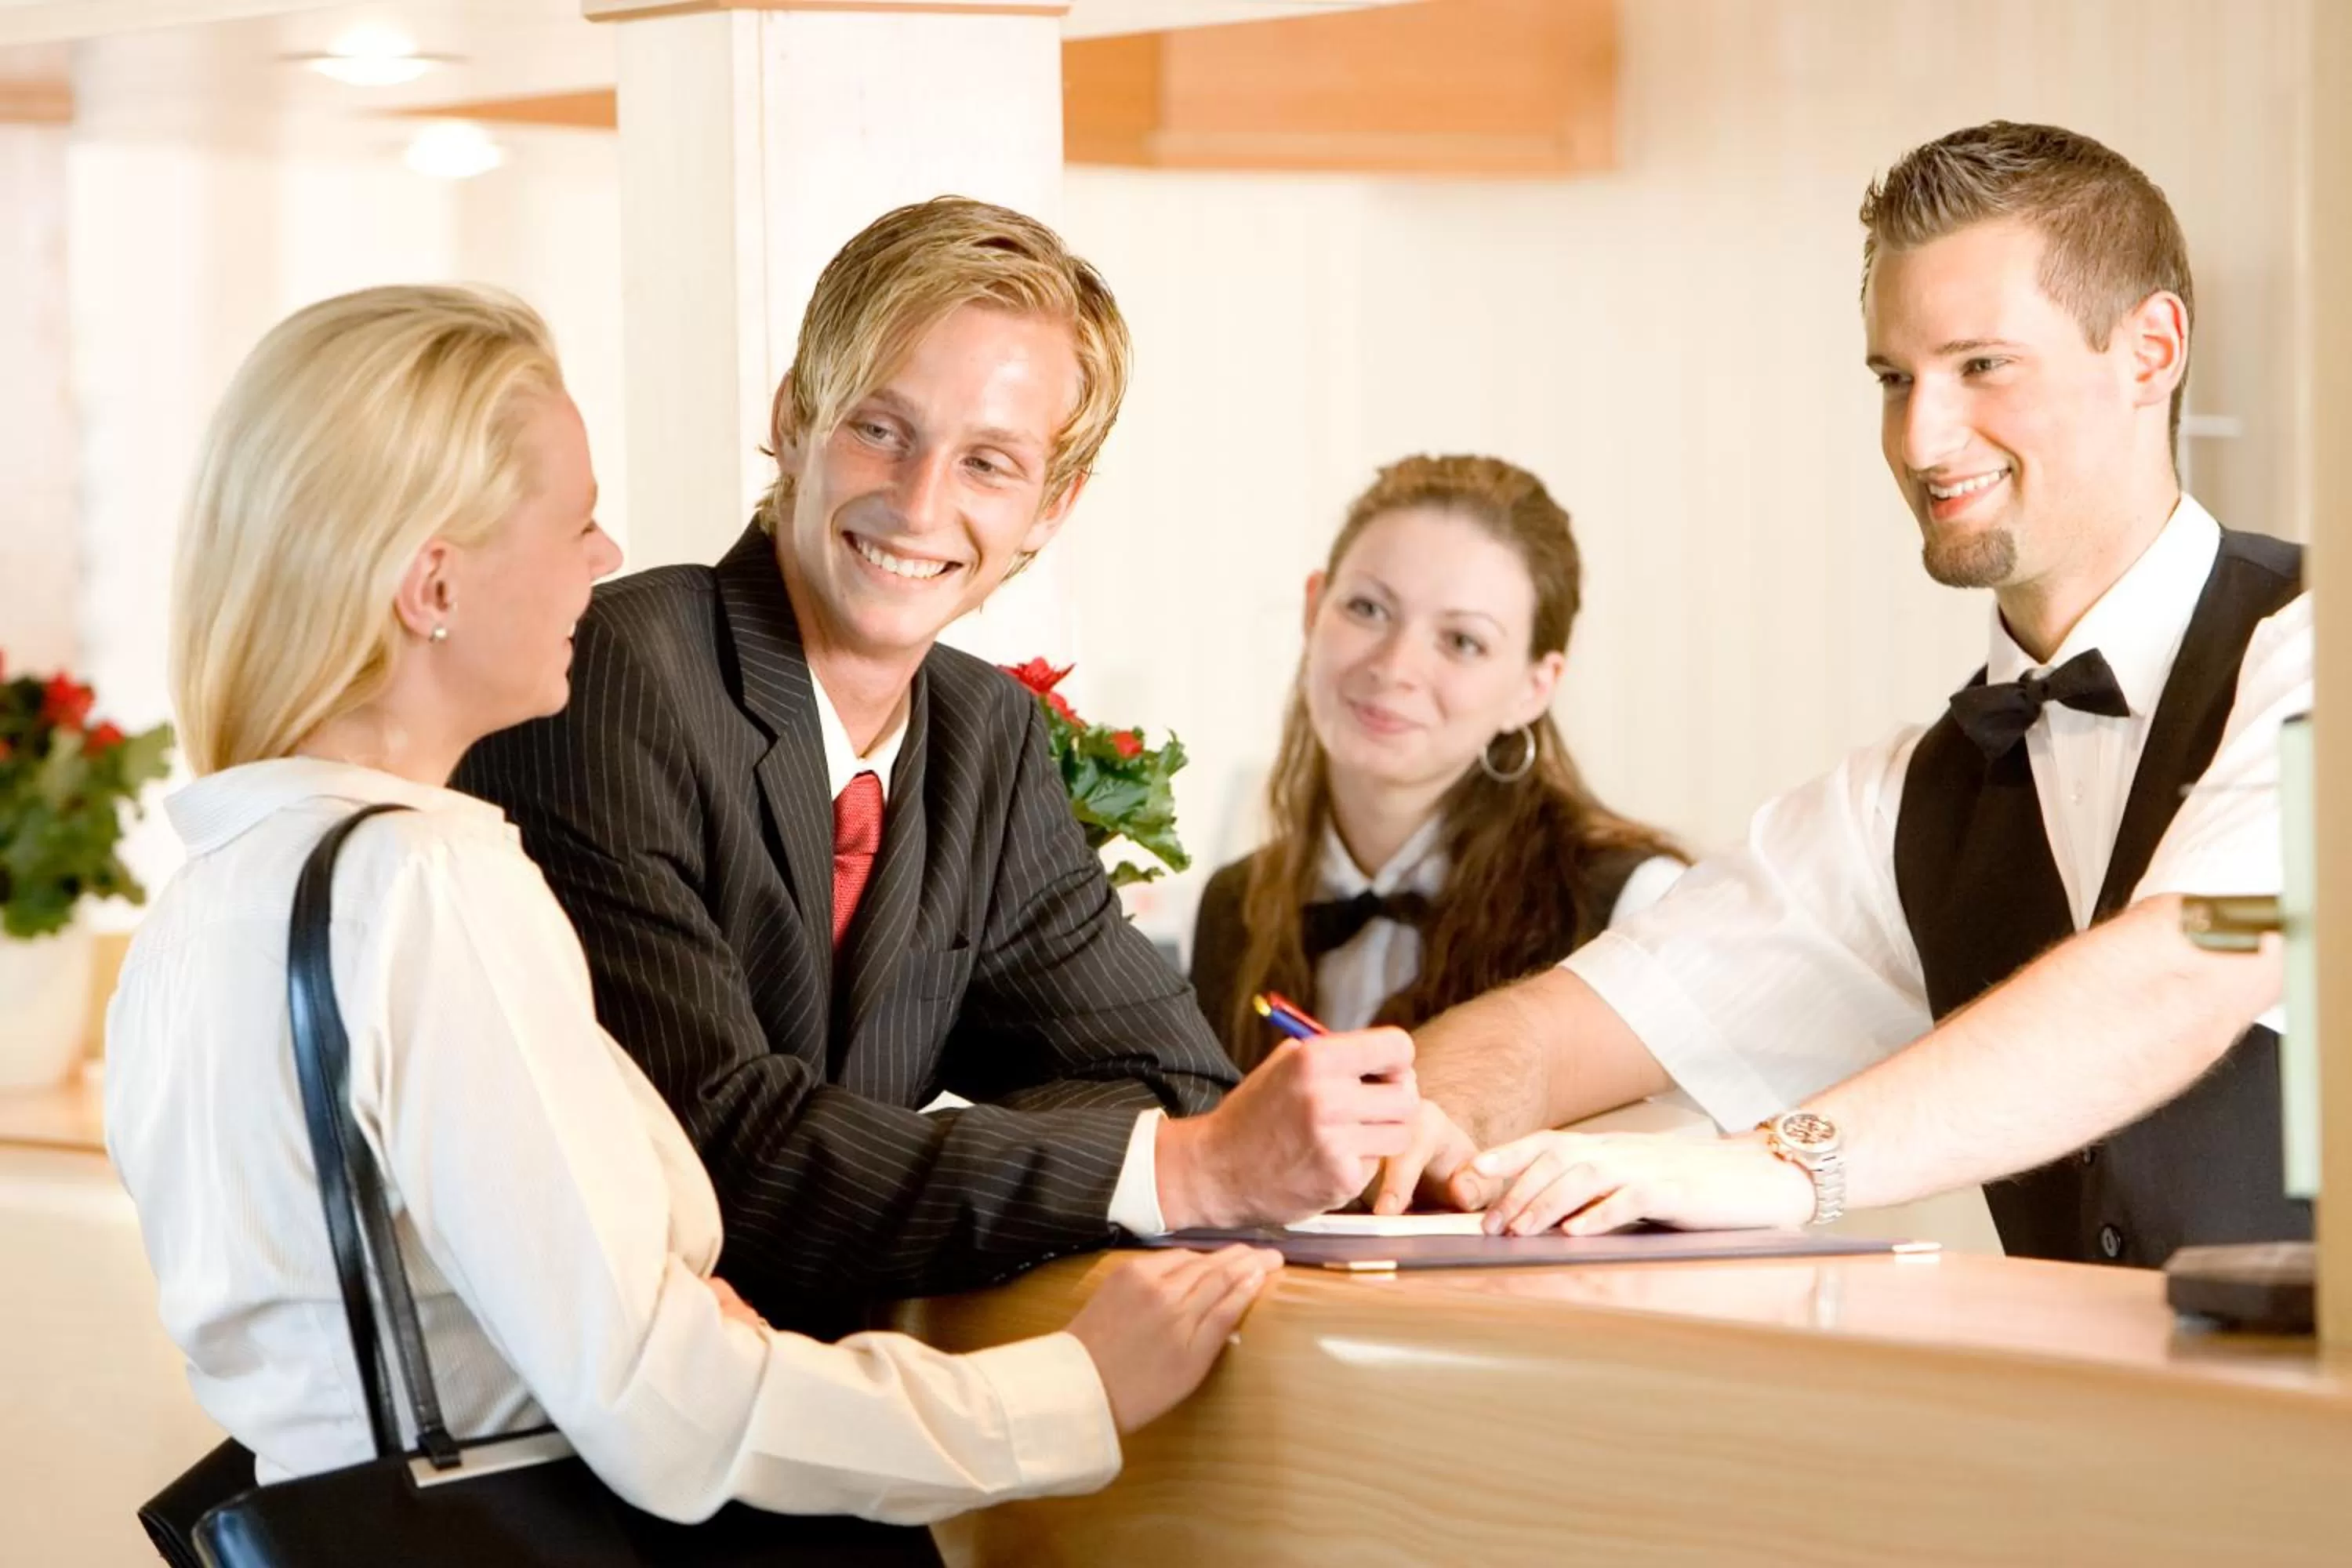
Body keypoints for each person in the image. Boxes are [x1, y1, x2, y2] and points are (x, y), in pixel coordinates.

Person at [107, 284, 1281, 1538]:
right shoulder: (425, 881)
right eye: (574, 523)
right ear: (433, 583)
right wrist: (1070, 1392)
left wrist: (670, 1308)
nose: (607, 558)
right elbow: (670, 1412)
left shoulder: (213, 892)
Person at [456, 197, 1417, 1334]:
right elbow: (722, 1156)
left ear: (1050, 508)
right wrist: (1179, 1169)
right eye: (881, 429)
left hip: (827, 1386)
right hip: (584, 1407)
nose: (920, 505)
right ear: (794, 419)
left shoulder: (982, 734)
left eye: (988, 463)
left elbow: (1171, 1078)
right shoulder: (616, 679)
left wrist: (945, 1160)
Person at [1377, 121, 2308, 1272]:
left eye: (1982, 366)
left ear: (2150, 350)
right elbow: (1562, 1028)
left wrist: (1781, 1164)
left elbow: (2188, 966)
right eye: (1894, 378)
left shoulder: (2320, 643)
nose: (1920, 437)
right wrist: (1415, 1123)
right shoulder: (1910, 802)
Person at [1190, 454, 1684, 1073]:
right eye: (1368, 609)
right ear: (1314, 609)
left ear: (1534, 687)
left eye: (1462, 641)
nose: (1395, 667)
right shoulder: (1231, 908)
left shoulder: (1636, 905)